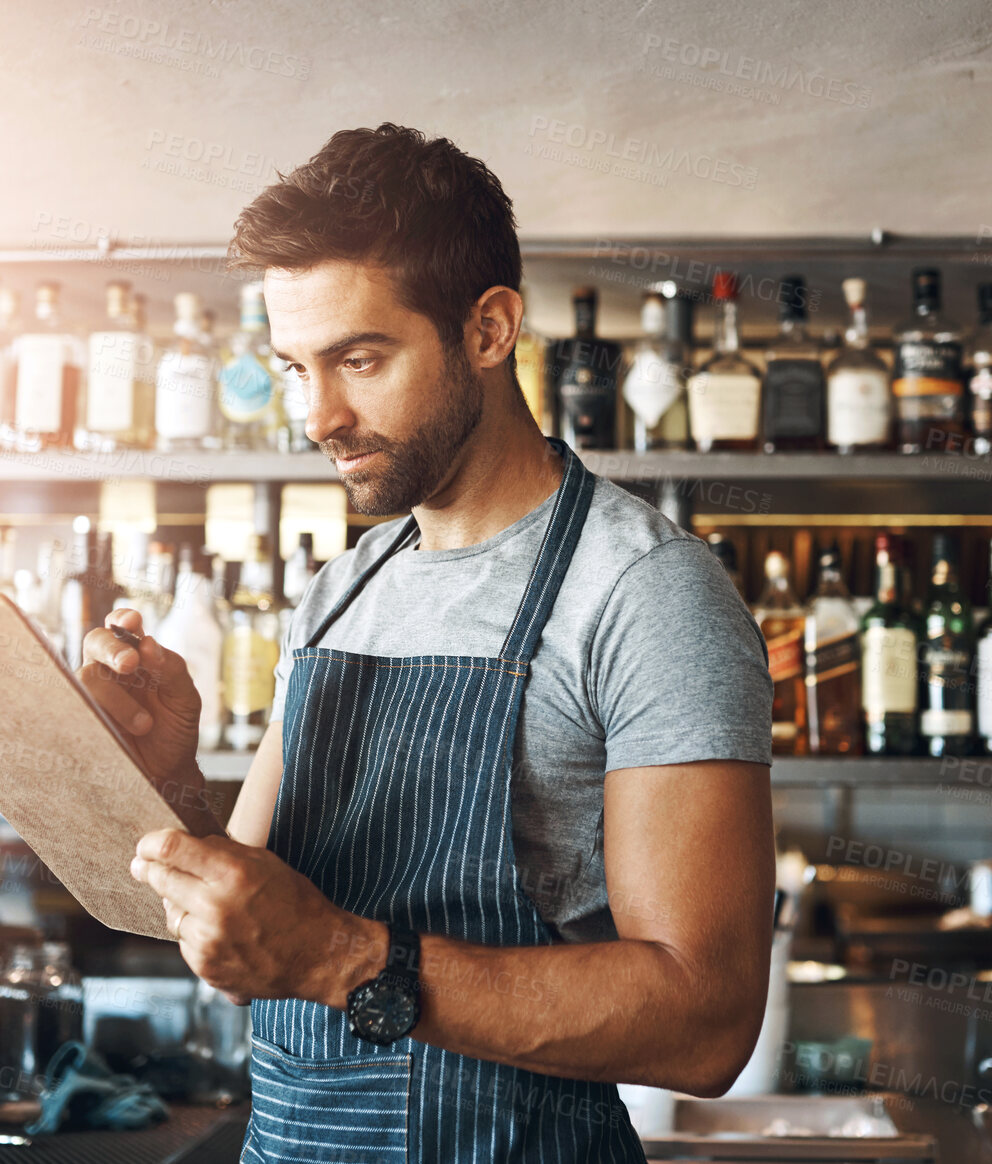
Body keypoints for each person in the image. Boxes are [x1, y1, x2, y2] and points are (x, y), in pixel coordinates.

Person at [81, 123, 774, 1162]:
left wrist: (349, 960)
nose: (319, 414)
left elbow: (705, 1022)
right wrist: (175, 787)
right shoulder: (341, 591)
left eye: (360, 359)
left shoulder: (644, 593)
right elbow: (244, 944)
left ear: (489, 329)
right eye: (293, 368)